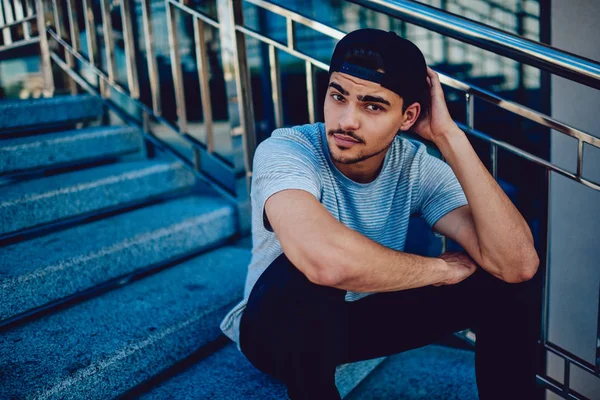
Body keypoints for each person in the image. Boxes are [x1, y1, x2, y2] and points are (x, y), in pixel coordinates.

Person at [220, 28, 542, 400]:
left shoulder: (415, 166)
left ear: (408, 117)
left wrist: (448, 136)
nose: (346, 121)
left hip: (356, 320)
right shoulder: (287, 151)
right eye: (338, 96)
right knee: (308, 274)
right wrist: (439, 270)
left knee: (506, 281)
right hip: (276, 333)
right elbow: (325, 264)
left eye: (373, 106)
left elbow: (518, 263)